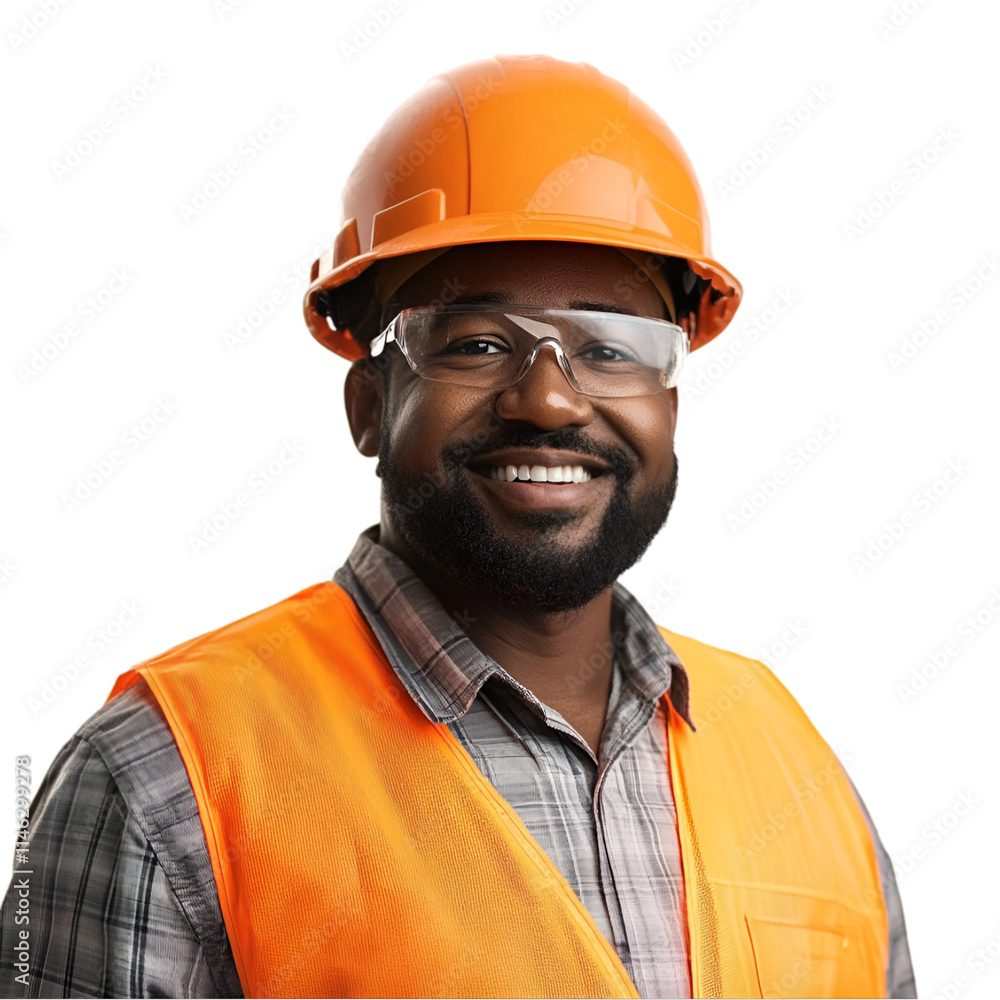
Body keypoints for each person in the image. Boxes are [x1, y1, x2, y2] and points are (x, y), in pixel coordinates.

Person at [0, 55, 916, 999]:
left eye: (611, 348)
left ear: (670, 407)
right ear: (369, 403)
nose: (550, 399)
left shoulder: (796, 765)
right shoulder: (165, 778)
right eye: (479, 343)